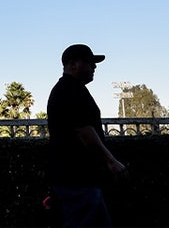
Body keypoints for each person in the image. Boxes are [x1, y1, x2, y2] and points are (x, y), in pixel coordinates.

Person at [46, 43, 128, 227]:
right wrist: (111, 161)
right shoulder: (70, 90)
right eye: (89, 62)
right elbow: (84, 131)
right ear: (72, 64)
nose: (94, 67)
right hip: (77, 181)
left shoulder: (69, 89)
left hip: (79, 180)